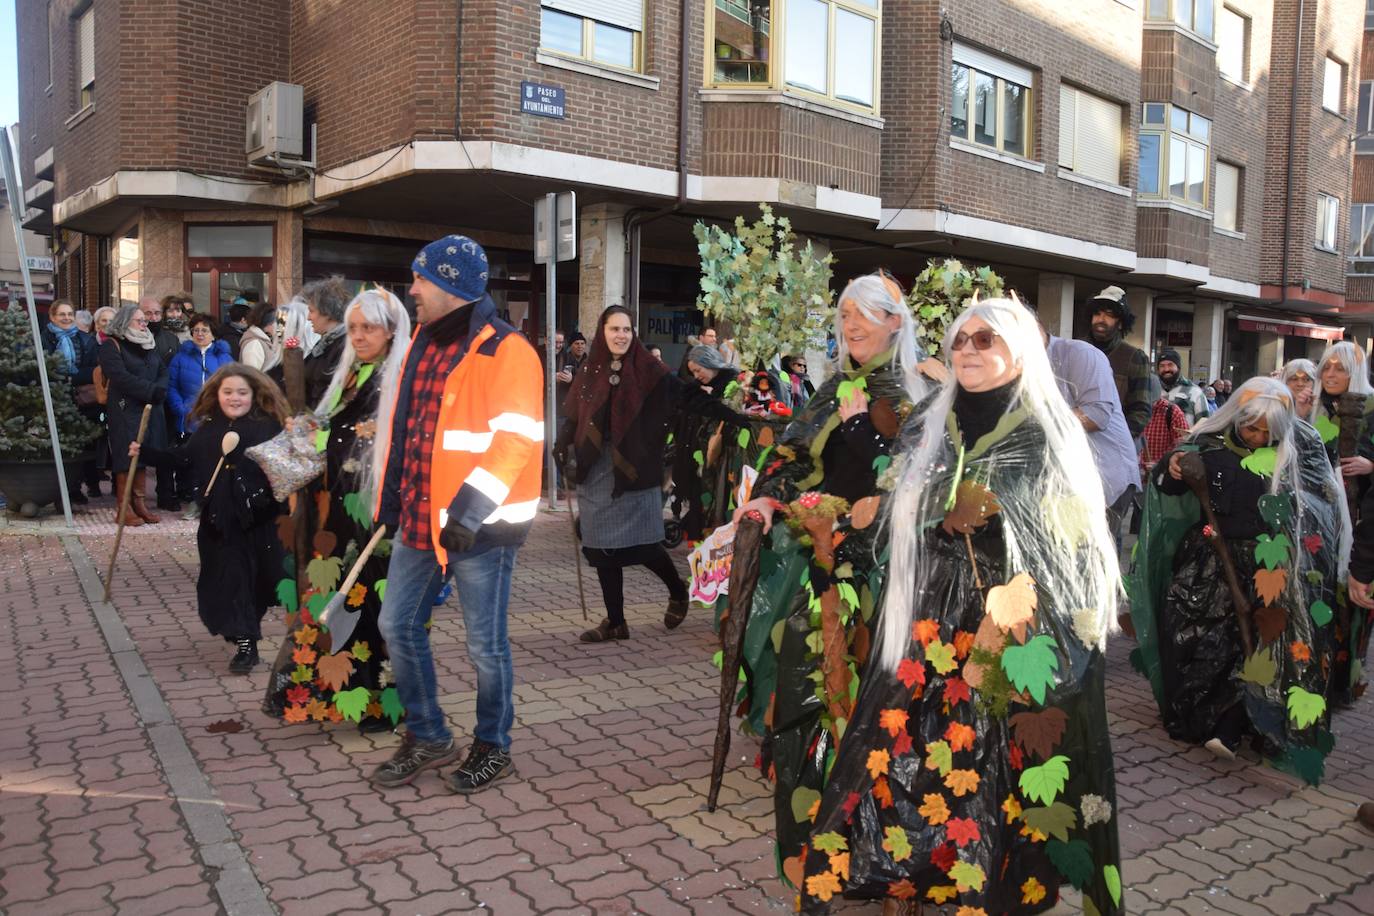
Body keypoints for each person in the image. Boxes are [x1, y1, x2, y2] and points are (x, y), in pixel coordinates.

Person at [798, 297, 1122, 914]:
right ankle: (907, 871)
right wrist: (856, 527)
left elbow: (1069, 547)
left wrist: (991, 531)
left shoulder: (1044, 432)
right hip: (926, 615)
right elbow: (895, 500)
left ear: (1020, 350)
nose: (970, 350)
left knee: (993, 762)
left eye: (986, 340)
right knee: (900, 746)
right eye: (962, 341)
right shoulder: (929, 422)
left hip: (1007, 627)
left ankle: (988, 883)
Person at [728, 272, 934, 873]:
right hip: (815, 550)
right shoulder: (835, 384)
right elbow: (791, 449)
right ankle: (804, 772)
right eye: (844, 314)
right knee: (792, 658)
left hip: (874, 565)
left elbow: (905, 477)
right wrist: (768, 496)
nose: (850, 325)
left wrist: (860, 425)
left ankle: (862, 798)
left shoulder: (914, 389)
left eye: (864, 314)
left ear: (895, 322)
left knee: (858, 678)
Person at [369, 235, 543, 794]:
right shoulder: (421, 340)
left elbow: (515, 442)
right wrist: (392, 501)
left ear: (450, 286)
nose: (412, 289)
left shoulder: (507, 350)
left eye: (421, 279)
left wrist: (468, 515)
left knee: (484, 646)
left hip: (481, 529)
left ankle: (493, 745)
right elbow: (408, 430)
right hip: (421, 518)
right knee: (396, 625)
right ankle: (429, 736)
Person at [1129, 378, 1347, 778]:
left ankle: (1252, 723)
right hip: (1210, 561)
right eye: (1252, 428)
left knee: (1263, 645)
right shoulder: (1207, 444)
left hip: (1270, 567)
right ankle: (1213, 719)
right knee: (1204, 638)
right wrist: (1173, 469)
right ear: (1236, 418)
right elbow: (1167, 484)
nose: (1260, 437)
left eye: (1270, 431)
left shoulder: (1296, 455)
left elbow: (1319, 508)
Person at [265, 288, 411, 730]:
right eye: (353, 328)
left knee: (374, 600)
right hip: (338, 509)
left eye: (369, 327)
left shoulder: (399, 375)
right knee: (340, 598)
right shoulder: (351, 372)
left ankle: (385, 702)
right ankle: (345, 694)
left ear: (390, 329)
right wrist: (308, 427)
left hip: (378, 507)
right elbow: (335, 426)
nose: (360, 336)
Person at [556, 307, 742, 643]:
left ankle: (677, 589)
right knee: (600, 548)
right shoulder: (592, 366)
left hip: (634, 465)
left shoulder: (649, 369)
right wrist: (562, 441)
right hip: (596, 466)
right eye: (614, 329)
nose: (621, 335)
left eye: (626, 329)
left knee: (642, 545)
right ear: (603, 331)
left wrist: (730, 408)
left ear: (633, 333)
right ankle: (615, 622)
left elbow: (685, 396)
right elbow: (577, 411)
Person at [133, 365, 288, 672]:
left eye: (242, 392)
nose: (235, 398)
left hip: (259, 521)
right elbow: (182, 458)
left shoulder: (267, 427)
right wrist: (145, 454)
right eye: (228, 392)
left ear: (254, 395)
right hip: (219, 522)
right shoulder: (209, 429)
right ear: (216, 394)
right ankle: (246, 640)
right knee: (229, 582)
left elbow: (283, 471)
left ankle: (247, 636)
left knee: (253, 582)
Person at [1042, 323, 1138, 531]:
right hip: (1064, 481)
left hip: (1104, 473)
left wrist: (1037, 428)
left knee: (1092, 555)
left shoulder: (1080, 353)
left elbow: (1096, 415)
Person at [98, 304, 169, 527]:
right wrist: (151, 391)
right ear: (125, 321)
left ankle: (139, 504)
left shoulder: (148, 343)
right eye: (139, 320)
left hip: (149, 408)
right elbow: (120, 377)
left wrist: (159, 390)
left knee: (144, 454)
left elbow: (162, 371)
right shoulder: (112, 345)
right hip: (125, 408)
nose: (144, 324)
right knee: (126, 455)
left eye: (145, 321)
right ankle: (123, 507)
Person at [40, 299, 103, 502]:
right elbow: (41, 367)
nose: (66, 318)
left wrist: (69, 377)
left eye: (69, 314)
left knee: (85, 444)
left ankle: (81, 486)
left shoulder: (86, 340)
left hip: (82, 400)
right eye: (62, 314)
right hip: (55, 399)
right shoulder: (44, 339)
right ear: (52, 317)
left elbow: (94, 370)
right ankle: (61, 490)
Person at [1084, 285, 1151, 438]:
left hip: (1115, 446)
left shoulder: (1134, 357)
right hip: (1076, 443)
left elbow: (1141, 411)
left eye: (1109, 315)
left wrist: (1119, 438)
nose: (1101, 320)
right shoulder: (1077, 350)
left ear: (1120, 323)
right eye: (1097, 314)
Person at [168, 315, 234, 441]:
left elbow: (232, 387)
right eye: (196, 330)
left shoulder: (224, 358)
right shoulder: (180, 358)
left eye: (204, 330)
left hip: (217, 419)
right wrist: (180, 409)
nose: (200, 334)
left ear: (213, 334)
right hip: (188, 420)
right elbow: (172, 387)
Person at [301, 277, 351, 407]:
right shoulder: (325, 342)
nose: (308, 317)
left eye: (311, 311)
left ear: (327, 312)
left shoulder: (344, 346)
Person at [1158, 348, 1210, 424]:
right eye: (1162, 366)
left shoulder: (1195, 391)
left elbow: (1204, 423)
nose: (1166, 369)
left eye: (1170, 365)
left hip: (1184, 436)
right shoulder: (1151, 390)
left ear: (1178, 367)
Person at [238, 302, 279, 371]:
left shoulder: (264, 339)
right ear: (269, 323)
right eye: (276, 321)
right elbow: (251, 376)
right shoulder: (254, 344)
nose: (277, 325)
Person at [555, 331, 587, 406]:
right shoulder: (563, 359)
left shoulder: (589, 361)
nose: (580, 346)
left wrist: (572, 379)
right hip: (564, 403)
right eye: (577, 344)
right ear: (571, 346)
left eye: (582, 343)